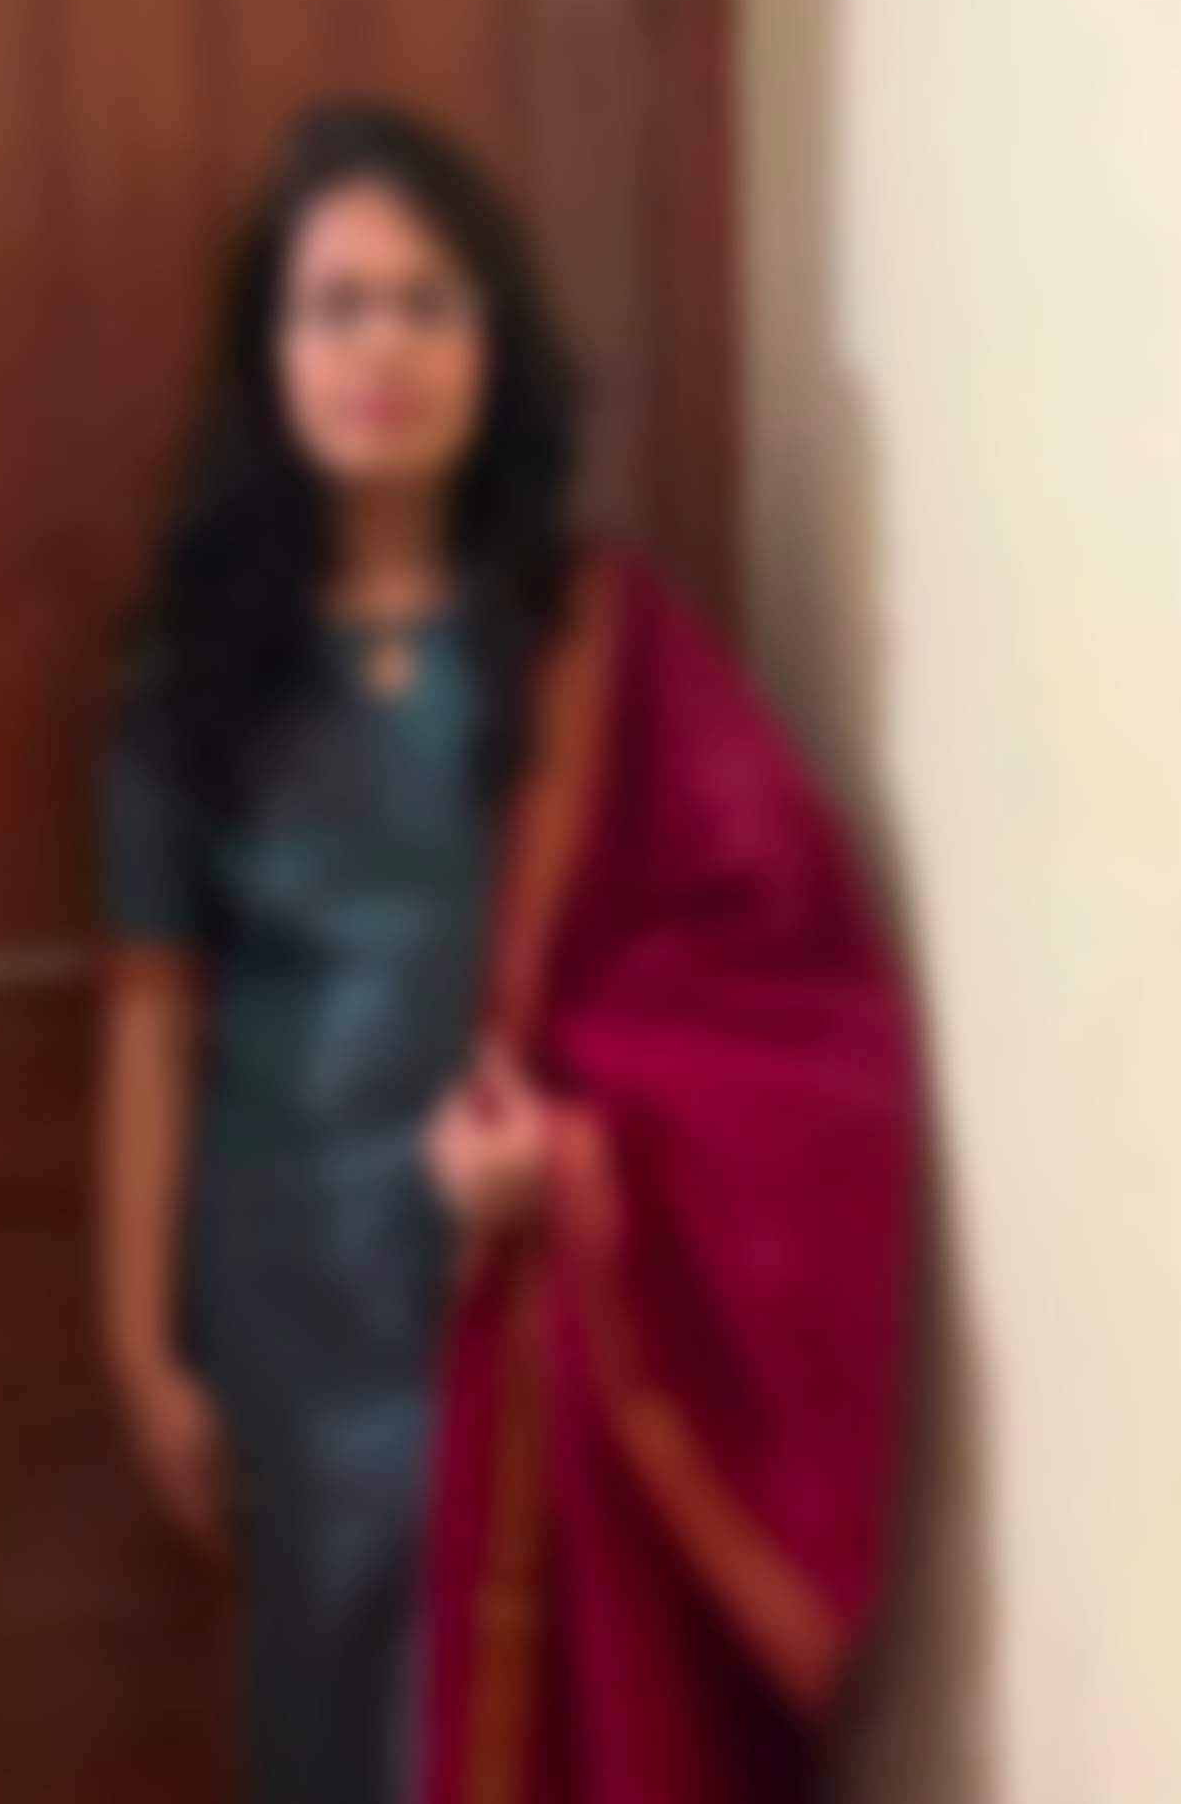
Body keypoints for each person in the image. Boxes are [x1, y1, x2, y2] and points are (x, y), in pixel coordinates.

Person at [96, 103, 916, 1804]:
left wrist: (578, 1147)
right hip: (287, 1291)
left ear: (494, 350)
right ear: (272, 356)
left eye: (428, 302)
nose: (381, 347)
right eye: (336, 306)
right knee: (333, 1710)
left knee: (531, 1710)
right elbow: (152, 1022)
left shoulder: (596, 637)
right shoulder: (192, 680)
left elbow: (762, 975)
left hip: (523, 1275)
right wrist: (137, 1341)